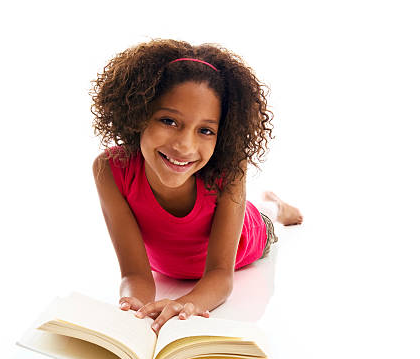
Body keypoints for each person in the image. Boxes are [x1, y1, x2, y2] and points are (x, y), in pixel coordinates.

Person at [91, 39, 302, 334]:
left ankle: (276, 206)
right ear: (138, 115)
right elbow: (135, 273)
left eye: (205, 130)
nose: (184, 146)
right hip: (171, 267)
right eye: (169, 120)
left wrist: (186, 304)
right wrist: (132, 308)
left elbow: (219, 276)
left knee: (264, 217)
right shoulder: (110, 170)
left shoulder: (230, 172)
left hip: (250, 237)